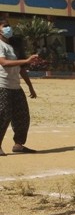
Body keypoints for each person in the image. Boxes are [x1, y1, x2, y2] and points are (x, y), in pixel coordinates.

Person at [0, 19, 38, 156]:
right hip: (2, 85)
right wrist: (27, 60)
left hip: (15, 86)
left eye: (9, 26)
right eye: (5, 26)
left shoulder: (13, 46)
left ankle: (18, 144)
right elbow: (3, 62)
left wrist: (30, 87)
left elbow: (21, 69)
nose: (8, 28)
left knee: (22, 115)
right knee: (3, 116)